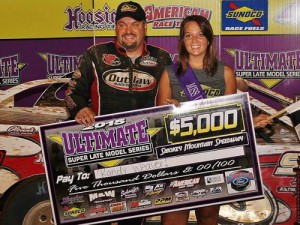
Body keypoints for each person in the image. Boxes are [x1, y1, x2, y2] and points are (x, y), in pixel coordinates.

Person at [156, 15, 271, 225]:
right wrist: (168, 111)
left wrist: (250, 122)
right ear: (182, 41)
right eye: (188, 35)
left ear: (208, 38)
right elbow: (157, 121)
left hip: (212, 157)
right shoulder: (169, 74)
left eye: (200, 34)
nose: (194, 40)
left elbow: (231, 118)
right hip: (177, 157)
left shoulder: (225, 73)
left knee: (208, 217)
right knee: (173, 218)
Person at [65, 1, 172, 225]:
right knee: (98, 214)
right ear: (116, 28)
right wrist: (80, 107)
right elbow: (73, 92)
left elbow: (175, 96)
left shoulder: (162, 58)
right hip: (102, 148)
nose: (128, 30)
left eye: (134, 24)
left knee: (133, 216)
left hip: (144, 150)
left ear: (145, 27)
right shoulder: (95, 54)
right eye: (122, 24)